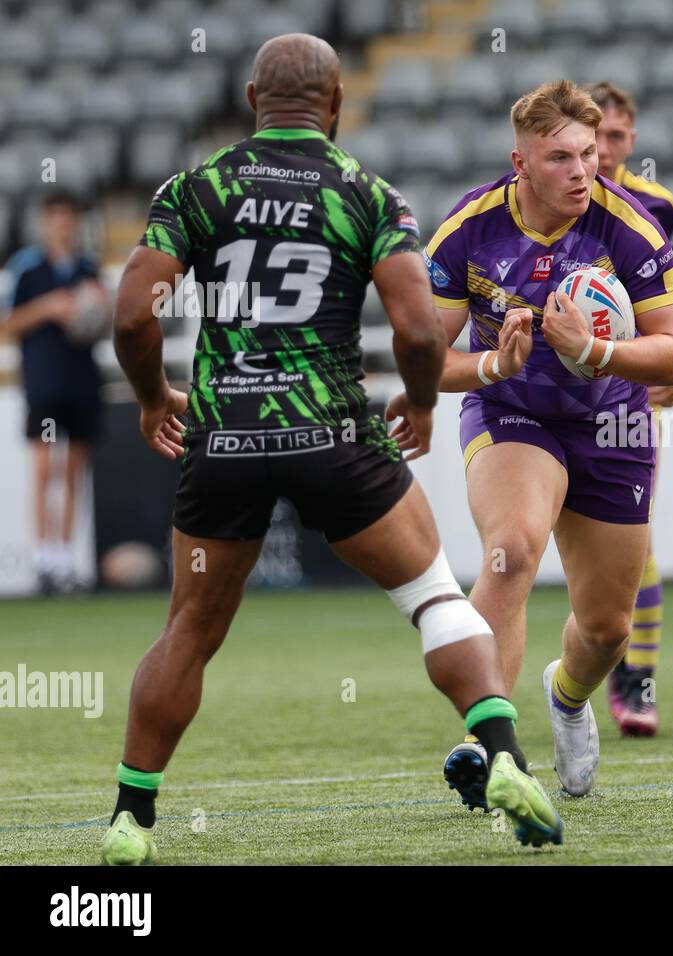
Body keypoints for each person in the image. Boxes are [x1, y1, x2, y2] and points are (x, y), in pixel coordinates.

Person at [100, 33, 562, 865]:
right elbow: (420, 330)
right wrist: (421, 405)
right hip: (334, 435)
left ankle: (131, 820)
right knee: (432, 594)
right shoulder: (366, 194)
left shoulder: (198, 187)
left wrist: (150, 399)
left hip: (226, 437)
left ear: (251, 102)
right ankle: (502, 758)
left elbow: (133, 315)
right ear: (337, 105)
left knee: (188, 633)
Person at [426, 80, 673, 805]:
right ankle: (488, 741)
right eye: (561, 158)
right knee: (511, 550)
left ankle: (569, 698)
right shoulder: (467, 231)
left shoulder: (630, 227)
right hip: (513, 411)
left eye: (589, 153)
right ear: (520, 162)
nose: (583, 171)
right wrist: (494, 364)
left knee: (608, 625)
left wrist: (596, 351)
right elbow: (425, 358)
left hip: (613, 420)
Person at [586, 79, 673, 736]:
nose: (602, 147)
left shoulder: (654, 205)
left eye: (616, 137)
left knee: (635, 534)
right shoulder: (555, 200)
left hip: (626, 387)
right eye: (593, 135)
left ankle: (638, 680)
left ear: (632, 139)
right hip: (556, 394)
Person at [0, 191, 108, 594]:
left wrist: (93, 311)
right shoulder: (27, 269)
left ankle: (64, 561)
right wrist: (48, 308)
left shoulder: (87, 269)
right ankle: (43, 560)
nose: (64, 225)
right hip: (44, 384)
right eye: (56, 217)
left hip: (81, 383)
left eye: (70, 217)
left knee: (73, 472)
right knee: (45, 471)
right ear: (45, 221)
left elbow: (104, 323)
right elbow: (7, 323)